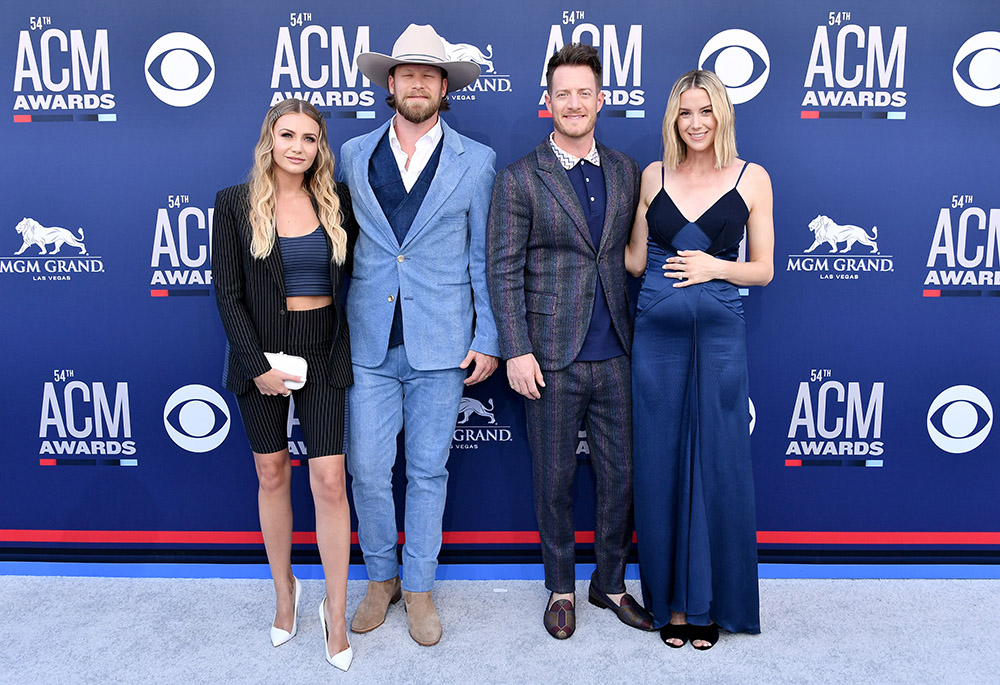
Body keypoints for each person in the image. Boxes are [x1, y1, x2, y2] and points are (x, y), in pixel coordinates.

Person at [340, 24, 499, 647]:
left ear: (444, 87)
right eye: (406, 72)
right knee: (369, 469)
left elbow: (484, 258)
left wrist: (488, 336)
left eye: (429, 75)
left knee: (429, 473)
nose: (417, 83)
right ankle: (381, 580)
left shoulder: (477, 161)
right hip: (368, 342)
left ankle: (422, 587)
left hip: (441, 343)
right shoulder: (353, 154)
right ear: (390, 82)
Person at [487, 43, 653, 640]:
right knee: (553, 481)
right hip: (550, 357)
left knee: (620, 478)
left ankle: (609, 583)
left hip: (618, 353)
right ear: (547, 102)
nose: (574, 103)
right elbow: (502, 269)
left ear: (601, 99)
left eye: (585, 93)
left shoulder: (627, 170)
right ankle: (561, 586)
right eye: (564, 94)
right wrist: (517, 348)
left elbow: (633, 255)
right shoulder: (519, 178)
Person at [625, 69, 774, 650]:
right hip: (655, 337)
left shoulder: (751, 177)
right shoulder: (652, 176)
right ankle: (670, 607)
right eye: (685, 113)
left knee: (718, 463)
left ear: (722, 116)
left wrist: (714, 266)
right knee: (659, 464)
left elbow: (762, 269)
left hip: (719, 334)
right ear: (673, 119)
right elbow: (637, 260)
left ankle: (710, 601)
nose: (696, 123)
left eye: (706, 111)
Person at [212, 98, 358, 670]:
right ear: (269, 140)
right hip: (260, 356)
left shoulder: (337, 201)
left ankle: (337, 609)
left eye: (310, 138)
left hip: (323, 349)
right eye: (287, 135)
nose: (298, 147)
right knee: (271, 472)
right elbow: (226, 293)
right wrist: (255, 365)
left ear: (321, 146)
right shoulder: (233, 204)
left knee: (329, 479)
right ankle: (285, 593)